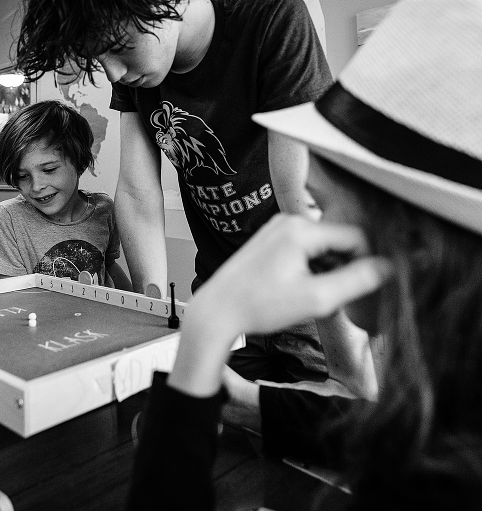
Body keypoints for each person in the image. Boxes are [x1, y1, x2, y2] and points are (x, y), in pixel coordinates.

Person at [126, 0, 482, 508]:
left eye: (320, 207)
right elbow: (380, 433)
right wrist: (237, 398)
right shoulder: (443, 413)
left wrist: (208, 328)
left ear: (414, 247)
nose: (301, 229)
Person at [15, 0, 359, 386]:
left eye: (116, 46)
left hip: (310, 296)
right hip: (221, 296)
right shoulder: (135, 72)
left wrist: (347, 372)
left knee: (321, 419)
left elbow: (302, 197)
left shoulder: (272, 14)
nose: (113, 71)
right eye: (99, 56)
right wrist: (156, 320)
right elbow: (137, 192)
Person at [0, 100, 132, 290]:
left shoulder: (105, 209)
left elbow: (108, 266)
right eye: (23, 176)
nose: (36, 186)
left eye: (49, 170)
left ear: (80, 163)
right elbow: (12, 294)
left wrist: (137, 302)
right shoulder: (8, 218)